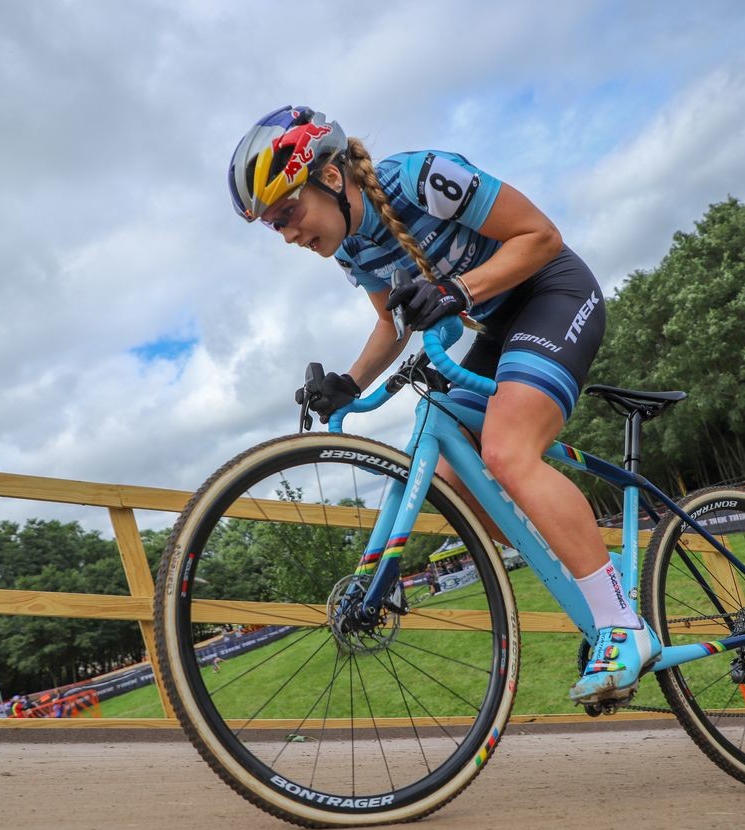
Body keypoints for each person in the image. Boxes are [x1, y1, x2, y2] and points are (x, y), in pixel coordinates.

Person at [229, 106, 661, 707]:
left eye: (288, 214)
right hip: (494, 325)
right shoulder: (353, 248)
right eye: (275, 227)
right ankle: (595, 579)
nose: (290, 235)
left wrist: (456, 290)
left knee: (507, 453)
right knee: (457, 487)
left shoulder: (423, 178)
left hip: (552, 291)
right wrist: (349, 385)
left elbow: (541, 237)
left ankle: (623, 625)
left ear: (331, 178)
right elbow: (392, 322)